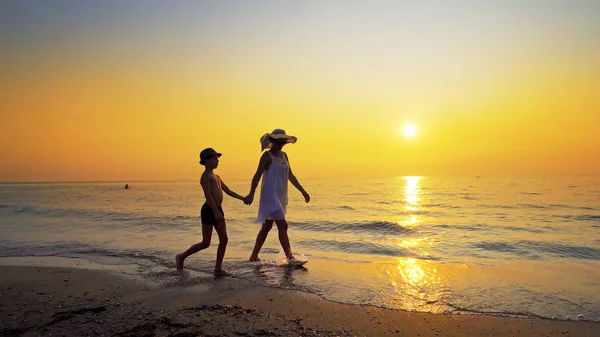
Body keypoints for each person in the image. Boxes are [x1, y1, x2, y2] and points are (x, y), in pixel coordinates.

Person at [176, 148, 246, 275]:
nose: (217, 160)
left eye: (217, 158)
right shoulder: (205, 176)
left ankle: (218, 269)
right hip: (209, 209)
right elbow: (208, 196)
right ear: (206, 161)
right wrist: (215, 211)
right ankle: (181, 257)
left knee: (224, 239)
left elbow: (228, 191)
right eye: (214, 158)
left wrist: (243, 198)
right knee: (206, 243)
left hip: (218, 209)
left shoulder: (216, 177)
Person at [244, 129, 310, 264]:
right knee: (283, 225)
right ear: (272, 141)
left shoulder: (285, 155)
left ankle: (253, 256)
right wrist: (251, 193)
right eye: (279, 142)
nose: (281, 145)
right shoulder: (267, 157)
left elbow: (291, 176)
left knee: (267, 226)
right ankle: (290, 257)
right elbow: (257, 175)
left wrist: (303, 191)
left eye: (283, 142)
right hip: (269, 196)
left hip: (280, 196)